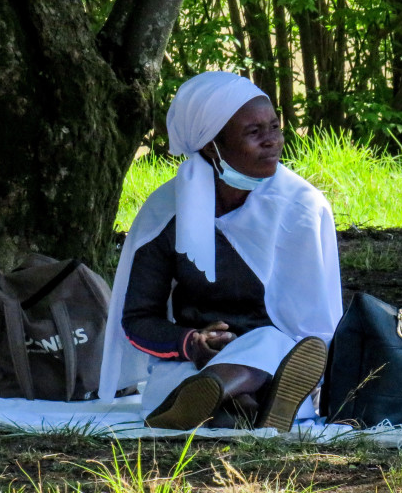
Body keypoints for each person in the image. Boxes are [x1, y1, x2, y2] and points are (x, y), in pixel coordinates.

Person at [98, 71, 343, 432]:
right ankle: (239, 403)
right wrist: (191, 344)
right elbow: (137, 318)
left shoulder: (301, 207)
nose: (273, 142)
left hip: (277, 356)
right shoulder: (166, 210)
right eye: (254, 133)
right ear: (211, 146)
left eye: (274, 127)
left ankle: (222, 394)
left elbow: (315, 330)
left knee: (272, 345)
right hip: (192, 362)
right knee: (174, 381)